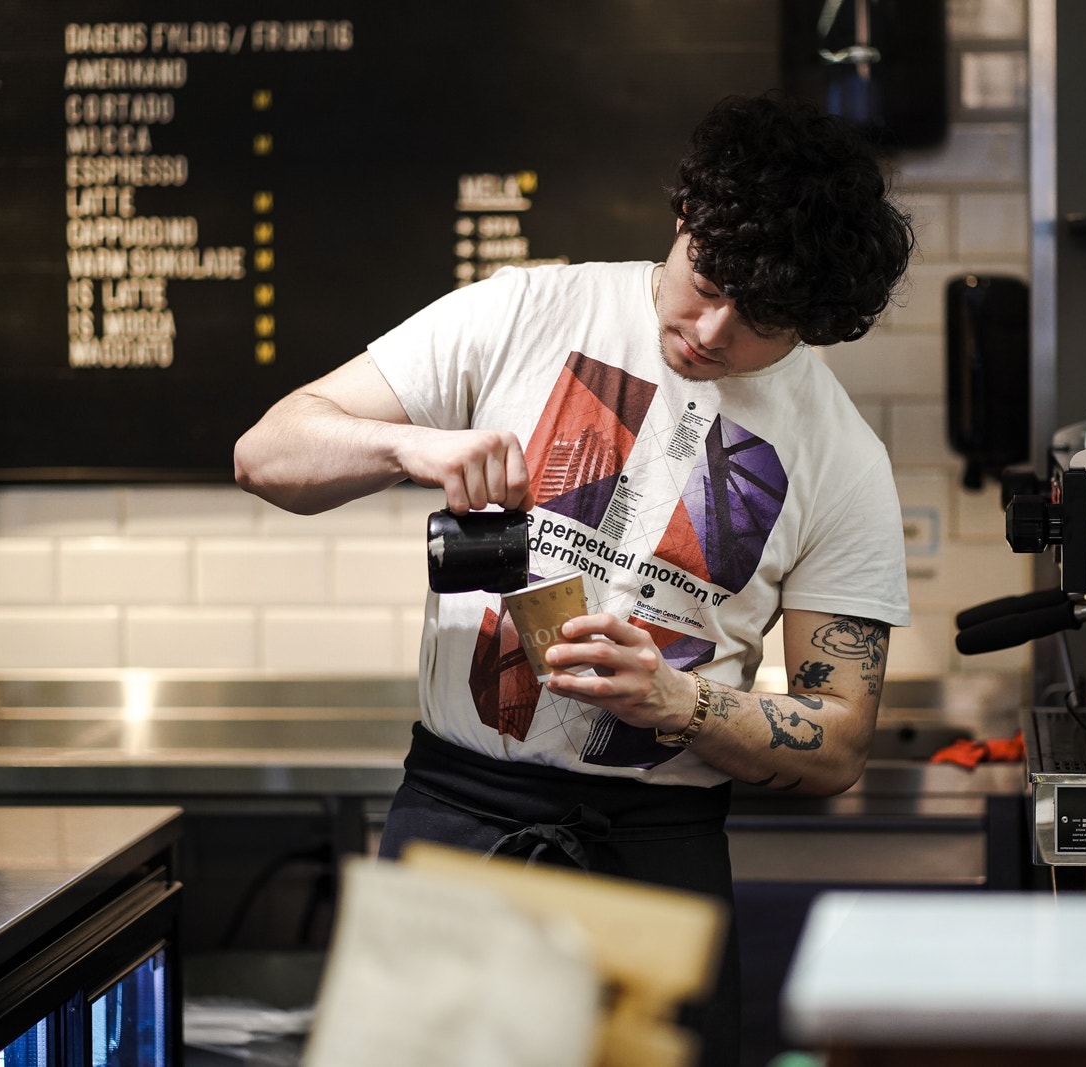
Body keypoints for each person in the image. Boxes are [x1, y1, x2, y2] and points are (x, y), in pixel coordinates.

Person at [234, 92, 914, 1065]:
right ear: (684, 217)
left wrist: (680, 701)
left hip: (653, 858)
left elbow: (839, 741)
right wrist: (407, 447)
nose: (713, 328)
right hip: (459, 825)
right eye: (705, 280)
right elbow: (266, 453)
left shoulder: (841, 457)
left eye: (761, 318)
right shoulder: (528, 310)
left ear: (816, 323)